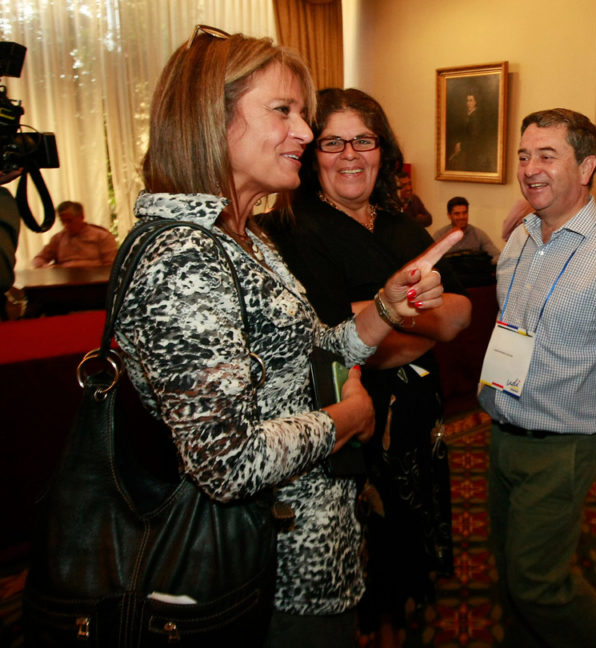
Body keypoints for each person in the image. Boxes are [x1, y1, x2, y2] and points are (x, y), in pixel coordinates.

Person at [115, 27, 461, 648]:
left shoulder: (244, 237)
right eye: (284, 110)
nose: (304, 132)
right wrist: (347, 419)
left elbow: (315, 351)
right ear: (211, 120)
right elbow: (226, 462)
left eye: (302, 114)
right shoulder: (183, 256)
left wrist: (387, 306)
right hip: (265, 574)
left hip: (313, 551)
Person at [260, 87, 471, 648]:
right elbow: (332, 339)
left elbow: (459, 315)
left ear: (383, 150)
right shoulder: (290, 228)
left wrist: (383, 314)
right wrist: (418, 320)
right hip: (352, 424)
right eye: (333, 142)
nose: (350, 155)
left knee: (408, 535)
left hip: (416, 418)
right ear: (311, 152)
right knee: (362, 553)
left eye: (363, 140)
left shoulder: (401, 226)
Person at [479, 108, 596, 647]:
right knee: (509, 572)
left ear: (586, 167)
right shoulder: (519, 240)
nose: (529, 169)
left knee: (539, 583)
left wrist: (592, 418)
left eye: (546, 155)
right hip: (501, 433)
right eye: (523, 156)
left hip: (561, 445)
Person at [30, 200, 117, 267]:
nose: (66, 225)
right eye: (63, 222)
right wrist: (47, 267)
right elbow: (38, 259)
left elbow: (111, 264)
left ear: (81, 217)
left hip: (95, 280)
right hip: (65, 280)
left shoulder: (102, 236)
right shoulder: (58, 238)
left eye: (69, 221)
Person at [433, 196, 501, 263]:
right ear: (449, 215)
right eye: (457, 214)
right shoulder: (440, 235)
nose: (461, 217)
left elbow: (498, 256)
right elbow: (430, 260)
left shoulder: (478, 234)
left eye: (464, 213)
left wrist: (487, 265)